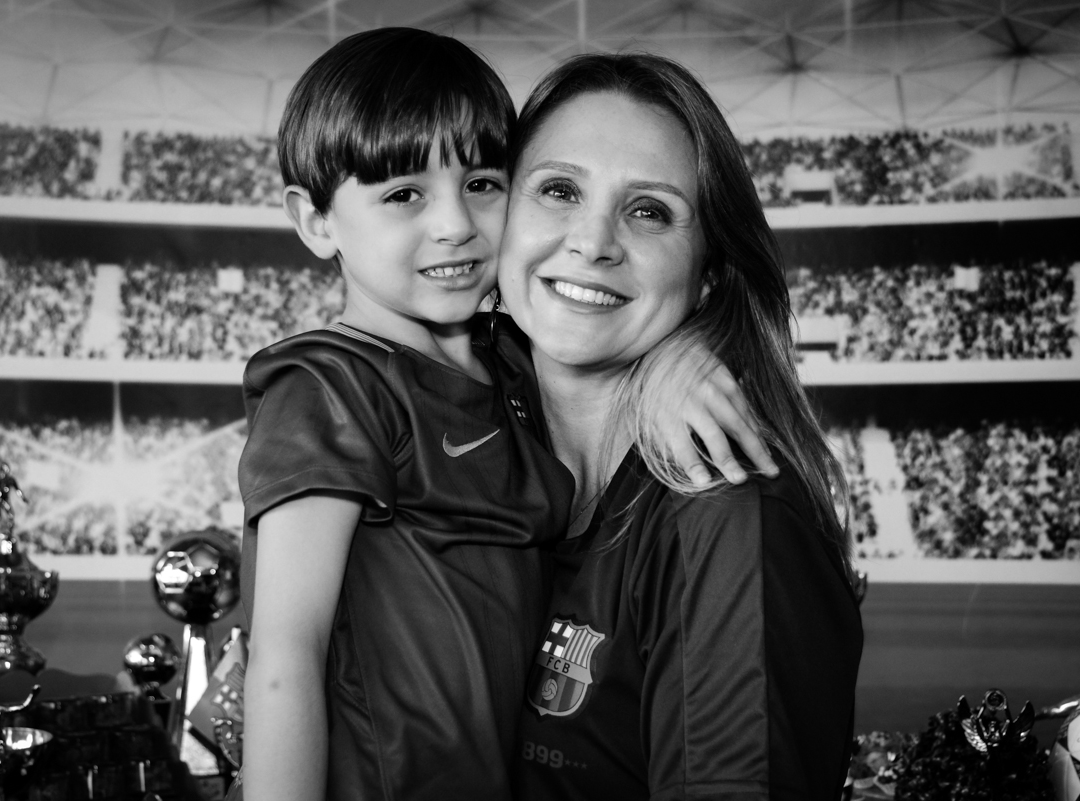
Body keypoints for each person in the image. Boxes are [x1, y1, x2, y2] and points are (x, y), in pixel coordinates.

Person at [235, 29, 774, 801]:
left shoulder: (510, 364)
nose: (455, 223)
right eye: (403, 194)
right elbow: (286, 651)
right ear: (316, 220)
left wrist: (680, 356)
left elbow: (617, 327)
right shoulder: (330, 384)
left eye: (483, 183)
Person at [503, 53, 864, 800]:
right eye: (559, 190)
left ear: (706, 272)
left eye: (649, 210)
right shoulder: (458, 451)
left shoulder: (730, 515)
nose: (593, 240)